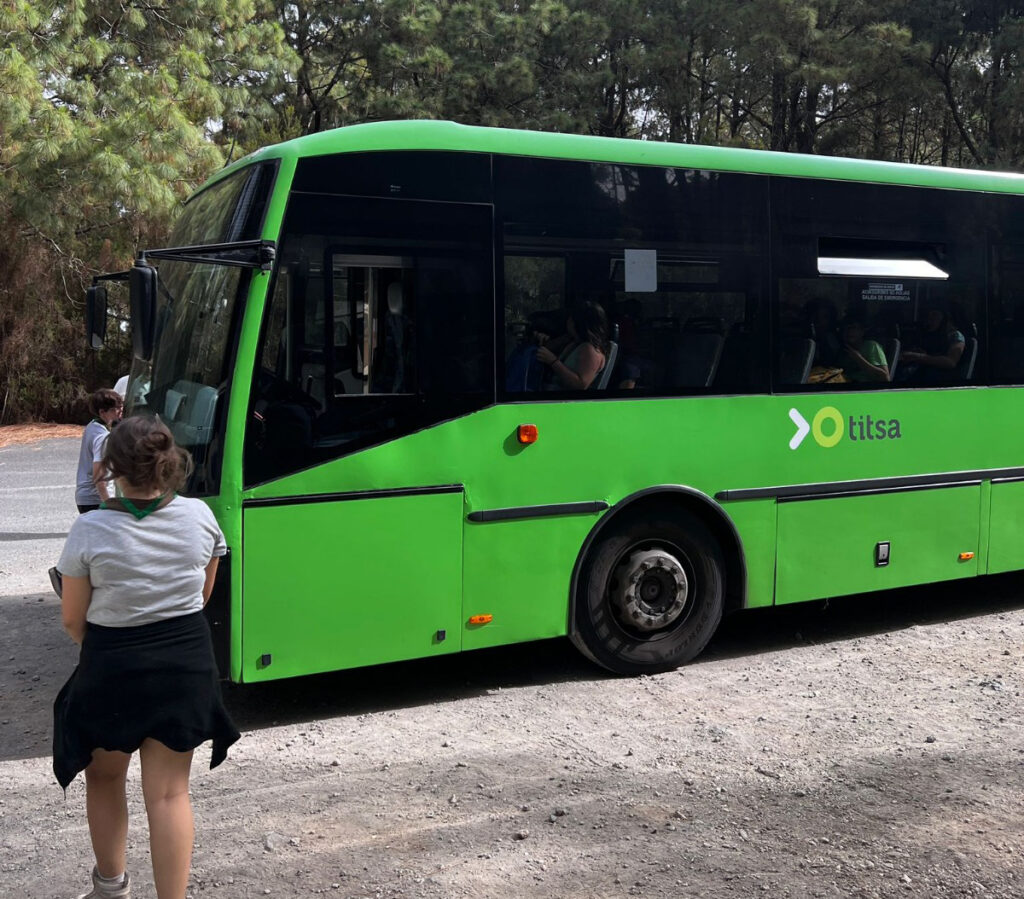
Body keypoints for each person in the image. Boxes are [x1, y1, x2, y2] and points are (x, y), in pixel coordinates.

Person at [53, 415, 239, 899]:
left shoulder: (90, 529)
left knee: (104, 776)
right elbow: (202, 596)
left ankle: (111, 887)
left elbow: (73, 619)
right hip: (184, 662)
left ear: (112, 467)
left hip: (113, 664)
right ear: (169, 462)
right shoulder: (200, 516)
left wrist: (109, 649)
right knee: (170, 794)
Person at [537, 301, 609, 390]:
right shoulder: (574, 341)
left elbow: (580, 385)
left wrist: (553, 361)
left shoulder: (589, 349)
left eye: (571, 319)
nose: (568, 321)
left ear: (578, 323)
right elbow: (546, 349)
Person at [75, 389, 123, 514]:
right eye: (115, 409)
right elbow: (99, 477)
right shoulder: (102, 436)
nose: (120, 411)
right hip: (96, 499)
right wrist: (109, 505)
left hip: (86, 497)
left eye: (120, 407)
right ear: (102, 412)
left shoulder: (92, 425)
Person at [900, 306, 966, 383]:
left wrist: (919, 357)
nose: (930, 320)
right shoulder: (934, 335)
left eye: (935, 315)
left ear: (945, 319)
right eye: (929, 316)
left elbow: (951, 362)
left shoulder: (956, 336)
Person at [839, 315, 889, 383]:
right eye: (845, 328)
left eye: (853, 327)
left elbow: (885, 378)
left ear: (862, 331)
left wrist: (858, 358)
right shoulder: (844, 350)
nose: (849, 331)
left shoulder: (871, 346)